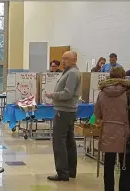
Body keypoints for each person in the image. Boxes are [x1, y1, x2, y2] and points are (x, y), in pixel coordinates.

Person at [94, 67, 130, 191]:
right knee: (125, 165)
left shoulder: (102, 92)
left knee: (108, 165)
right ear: (123, 77)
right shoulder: (128, 93)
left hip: (107, 132)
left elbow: (97, 114)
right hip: (124, 134)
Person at [45, 51, 80, 181]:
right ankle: (70, 170)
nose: (62, 61)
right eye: (62, 58)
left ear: (74, 60)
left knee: (59, 142)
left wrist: (52, 95)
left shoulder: (72, 73)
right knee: (69, 141)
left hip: (64, 111)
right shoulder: (70, 71)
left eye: (65, 59)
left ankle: (62, 173)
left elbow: (67, 93)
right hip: (68, 110)